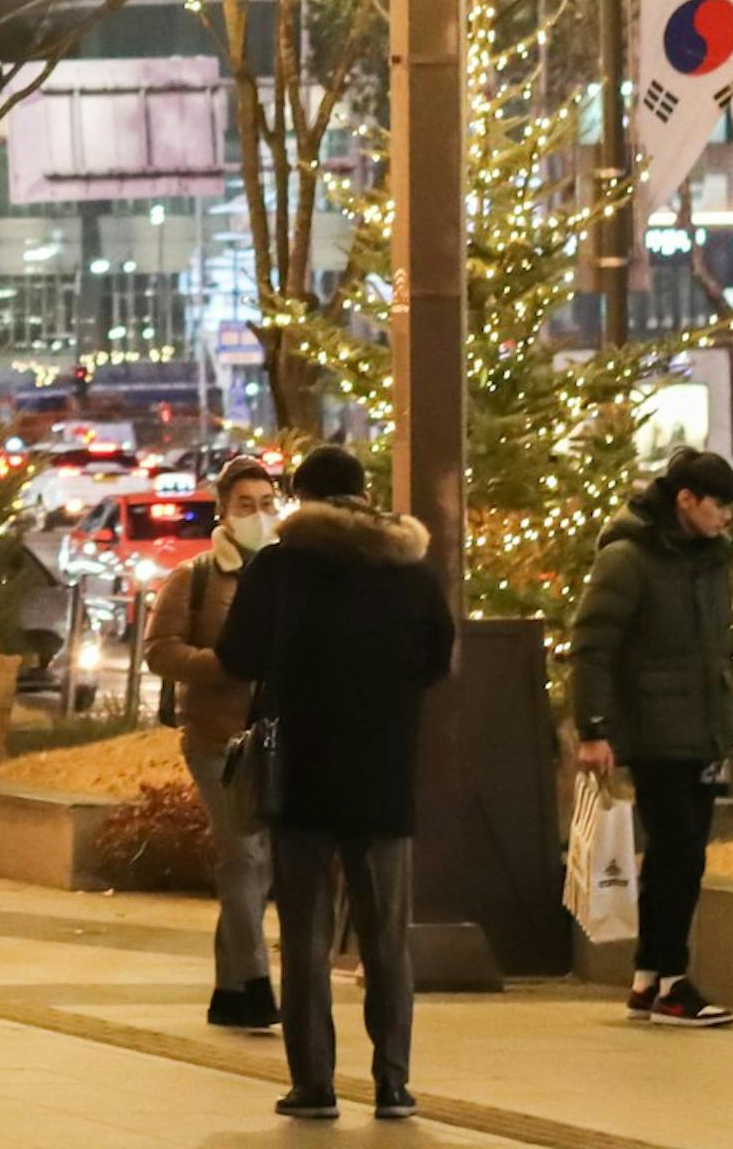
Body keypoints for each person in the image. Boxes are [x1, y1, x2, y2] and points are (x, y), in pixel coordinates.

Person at [215, 443, 456, 1125]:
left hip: (301, 773)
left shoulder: (281, 567)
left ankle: (314, 1086)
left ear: (304, 497)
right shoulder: (409, 568)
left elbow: (238, 655)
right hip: (383, 774)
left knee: (306, 935)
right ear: (363, 494)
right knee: (386, 938)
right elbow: (438, 657)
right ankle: (393, 1084)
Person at [568, 446, 733, 1029]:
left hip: (699, 728)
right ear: (685, 500)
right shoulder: (628, 559)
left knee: (682, 853)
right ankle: (672, 981)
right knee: (678, 852)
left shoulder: (709, 558)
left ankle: (648, 978)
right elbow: (592, 646)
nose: (726, 519)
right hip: (653, 729)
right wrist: (594, 729)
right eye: (719, 506)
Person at [144, 452, 282, 1032]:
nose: (258, 514)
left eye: (267, 503)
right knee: (243, 853)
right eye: (246, 505)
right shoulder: (195, 577)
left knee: (259, 862)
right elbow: (160, 650)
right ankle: (254, 985)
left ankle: (228, 992)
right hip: (215, 738)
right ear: (223, 512)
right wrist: (223, 665)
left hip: (275, 737)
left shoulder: (286, 571)